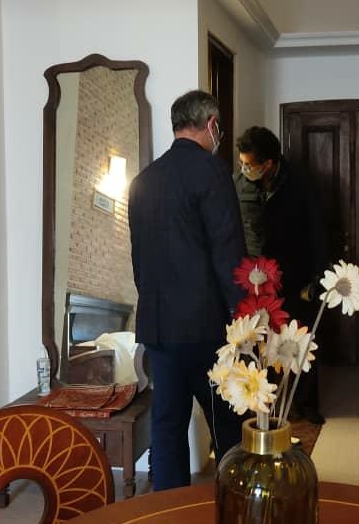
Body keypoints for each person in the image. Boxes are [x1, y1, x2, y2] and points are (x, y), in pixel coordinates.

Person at [128, 90, 246, 491]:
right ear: (212, 125)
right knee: (227, 421)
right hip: (205, 328)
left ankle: (168, 510)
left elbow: (139, 261)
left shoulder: (143, 180)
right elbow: (229, 254)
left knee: (167, 426)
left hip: (158, 327)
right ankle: (233, 502)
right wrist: (243, 322)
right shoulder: (212, 172)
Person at [235, 126, 328, 425]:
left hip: (293, 275)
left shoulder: (302, 184)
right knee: (258, 342)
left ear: (268, 164)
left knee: (300, 340)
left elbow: (317, 232)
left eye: (250, 164)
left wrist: (317, 278)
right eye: (242, 163)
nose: (245, 169)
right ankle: (262, 402)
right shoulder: (238, 184)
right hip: (254, 279)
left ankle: (306, 403)